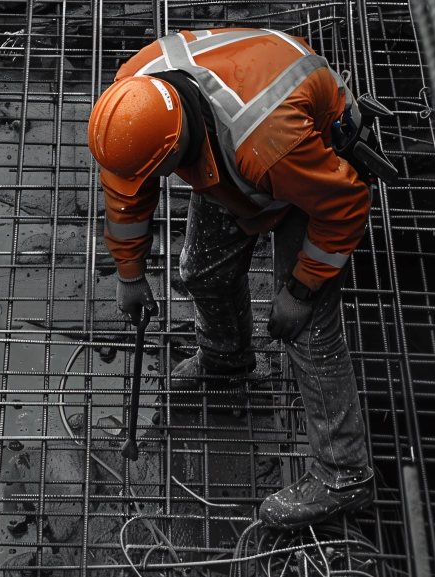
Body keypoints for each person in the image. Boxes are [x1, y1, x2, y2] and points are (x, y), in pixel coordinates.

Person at [87, 28, 377, 530]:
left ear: (178, 150)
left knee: (309, 332)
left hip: (313, 162)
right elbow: (126, 191)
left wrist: (301, 289)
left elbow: (344, 206)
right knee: (202, 270)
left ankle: (343, 474)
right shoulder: (133, 99)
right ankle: (227, 360)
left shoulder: (268, 145)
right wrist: (130, 273)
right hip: (244, 156)